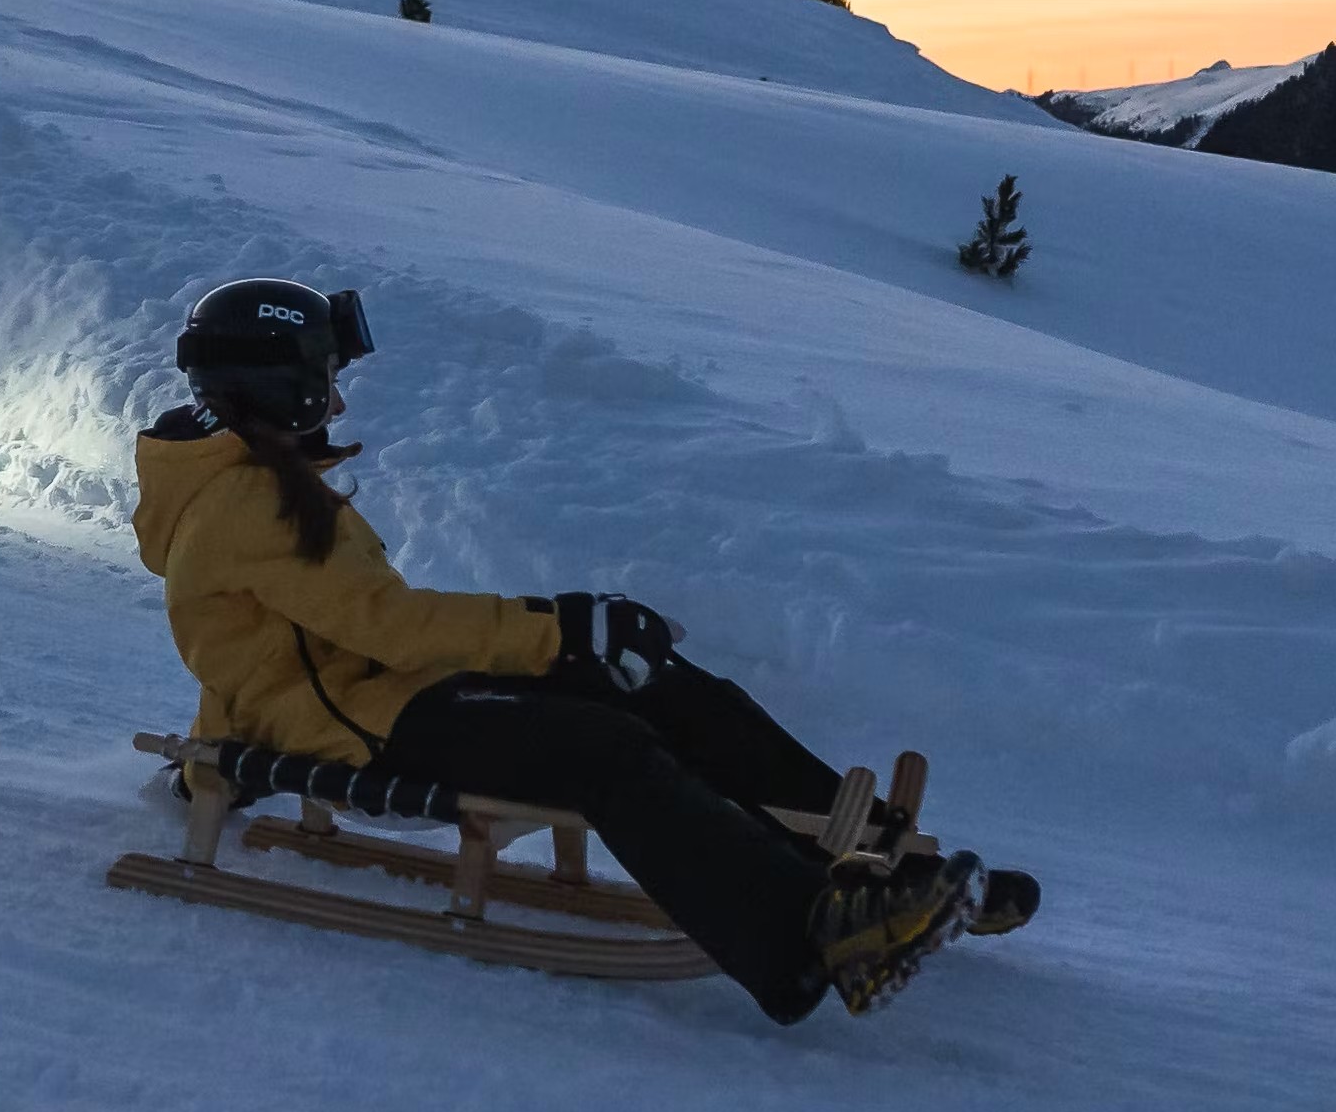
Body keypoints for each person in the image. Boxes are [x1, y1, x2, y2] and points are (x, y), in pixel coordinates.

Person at [131, 276, 1037, 1021]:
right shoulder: (245, 502)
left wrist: (579, 633)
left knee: (659, 686)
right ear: (273, 384)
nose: (336, 392)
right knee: (600, 747)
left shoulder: (256, 481)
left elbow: (274, 635)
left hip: (385, 694)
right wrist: (560, 625)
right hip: (361, 728)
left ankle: (882, 863)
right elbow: (386, 626)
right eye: (322, 372)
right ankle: (810, 929)